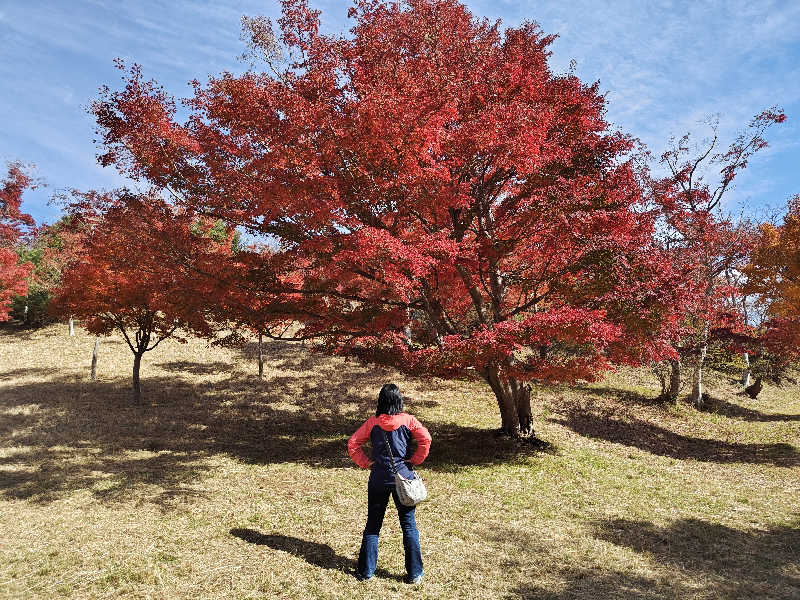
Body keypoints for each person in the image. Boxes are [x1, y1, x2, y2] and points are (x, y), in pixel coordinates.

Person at [347, 383, 432, 584]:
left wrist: (366, 462)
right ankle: (414, 574)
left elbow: (353, 444)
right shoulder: (409, 420)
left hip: (378, 477)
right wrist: (415, 460)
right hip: (403, 478)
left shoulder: (373, 422)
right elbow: (426, 439)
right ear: (398, 400)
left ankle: (366, 572)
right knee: (409, 526)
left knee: (373, 525)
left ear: (381, 401)